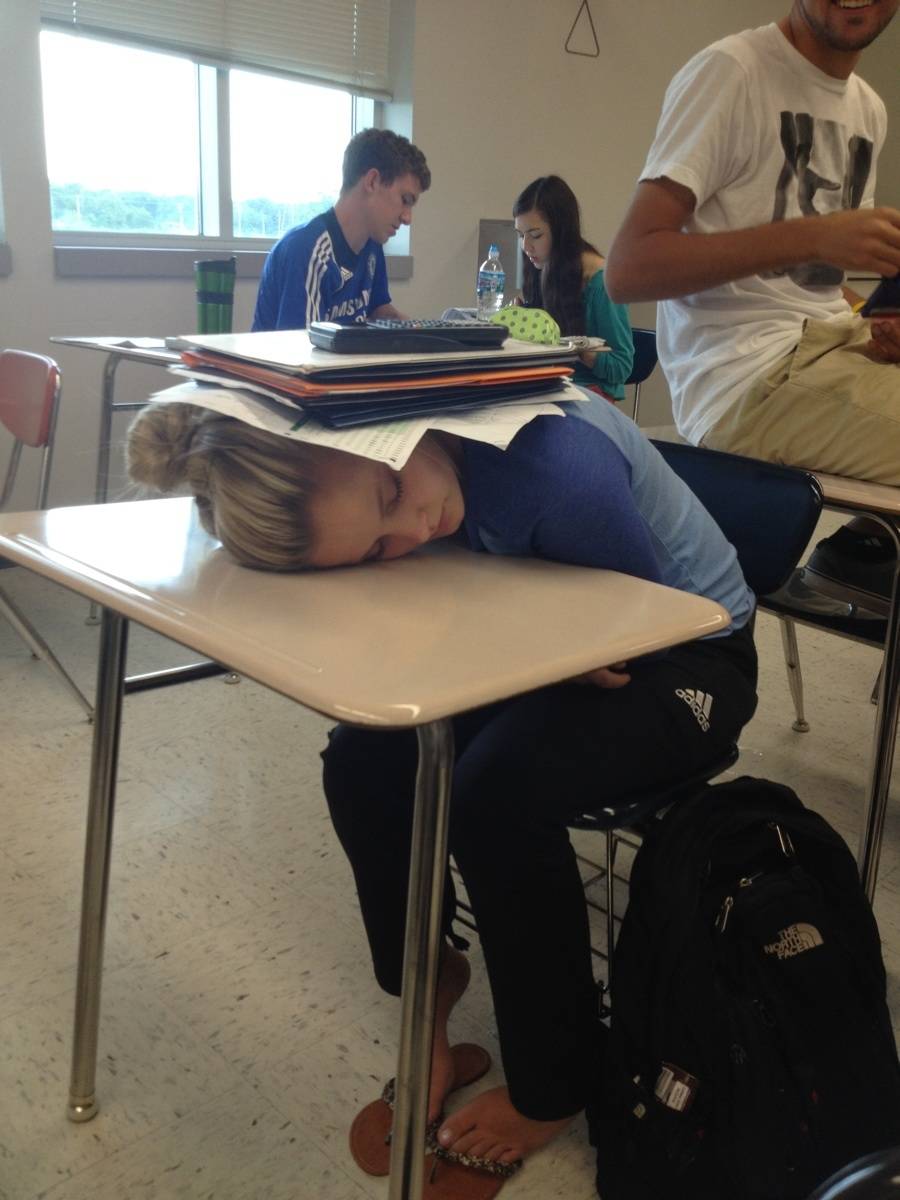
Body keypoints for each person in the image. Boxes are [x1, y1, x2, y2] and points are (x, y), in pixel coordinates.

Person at [126, 393, 758, 1177]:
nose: (416, 529)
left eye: (391, 493)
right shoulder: (411, 476)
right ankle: (428, 983)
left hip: (684, 651)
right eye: (375, 548)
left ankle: (555, 1083)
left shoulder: (555, 473)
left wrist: (497, 638)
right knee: (361, 761)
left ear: (385, 426)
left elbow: (624, 644)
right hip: (542, 627)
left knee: (495, 796)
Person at [604, 0, 900, 608]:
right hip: (745, 379)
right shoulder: (733, 73)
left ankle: (863, 547)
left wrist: (874, 320)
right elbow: (627, 269)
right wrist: (812, 236)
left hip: (824, 346)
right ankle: (858, 555)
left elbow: (811, 287)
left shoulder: (868, 108)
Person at [252, 128, 430, 332]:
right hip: (297, 352)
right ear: (372, 181)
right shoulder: (308, 250)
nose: (407, 218)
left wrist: (429, 334)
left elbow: (378, 311)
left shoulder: (372, 244)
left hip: (340, 353)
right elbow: (304, 345)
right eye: (405, 200)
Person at [513, 175, 634, 402]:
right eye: (520, 235)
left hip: (588, 396)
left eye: (536, 235)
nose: (526, 246)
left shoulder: (600, 283)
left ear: (561, 231)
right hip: (553, 387)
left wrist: (581, 352)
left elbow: (622, 366)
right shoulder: (544, 267)